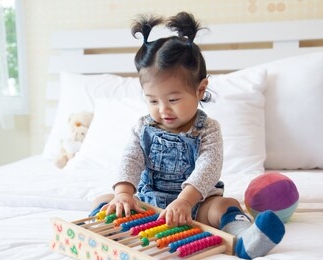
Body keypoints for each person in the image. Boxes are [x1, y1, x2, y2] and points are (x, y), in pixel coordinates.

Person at [91, 11, 285, 259]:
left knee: (225, 206)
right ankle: (112, 228)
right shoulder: (143, 127)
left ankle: (245, 240)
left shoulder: (208, 129)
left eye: (173, 99)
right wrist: (124, 194)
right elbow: (130, 159)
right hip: (150, 205)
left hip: (196, 204)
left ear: (200, 89)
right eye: (152, 100)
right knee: (105, 199)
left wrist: (185, 201)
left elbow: (208, 167)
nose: (163, 109)